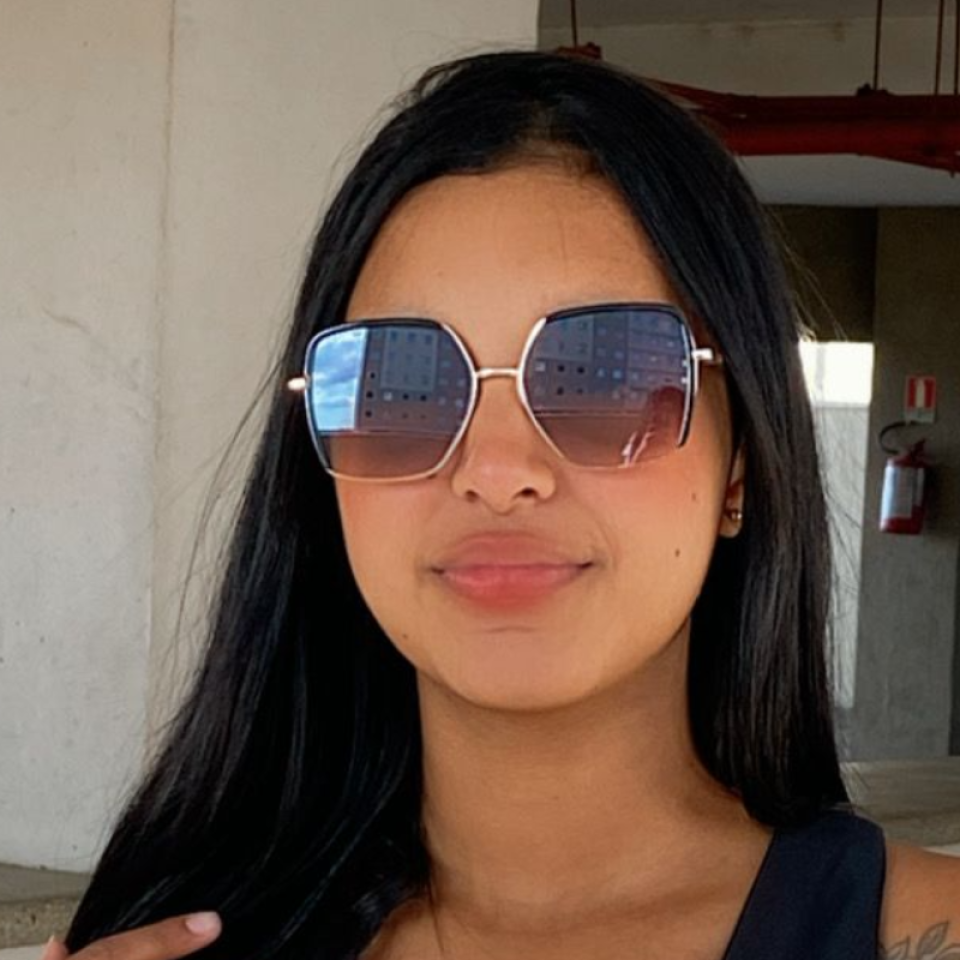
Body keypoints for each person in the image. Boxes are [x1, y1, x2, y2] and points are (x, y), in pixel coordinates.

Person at [47, 49, 960, 960]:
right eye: (399, 388)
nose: (495, 470)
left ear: (739, 467)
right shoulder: (175, 938)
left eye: (606, 376)